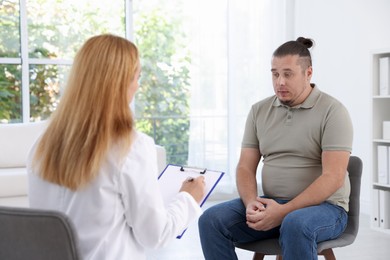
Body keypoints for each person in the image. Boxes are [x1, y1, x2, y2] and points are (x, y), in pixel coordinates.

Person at [27, 34, 206, 260]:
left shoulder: (41, 145)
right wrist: (188, 198)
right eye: (136, 78)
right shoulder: (131, 147)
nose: (137, 87)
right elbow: (156, 235)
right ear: (120, 83)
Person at [198, 37, 353, 260]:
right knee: (211, 220)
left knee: (295, 223)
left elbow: (334, 177)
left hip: (326, 209)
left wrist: (284, 211)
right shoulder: (259, 111)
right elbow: (244, 167)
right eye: (275, 74)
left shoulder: (333, 111)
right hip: (272, 202)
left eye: (288, 74)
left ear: (308, 73)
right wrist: (252, 201)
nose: (280, 81)